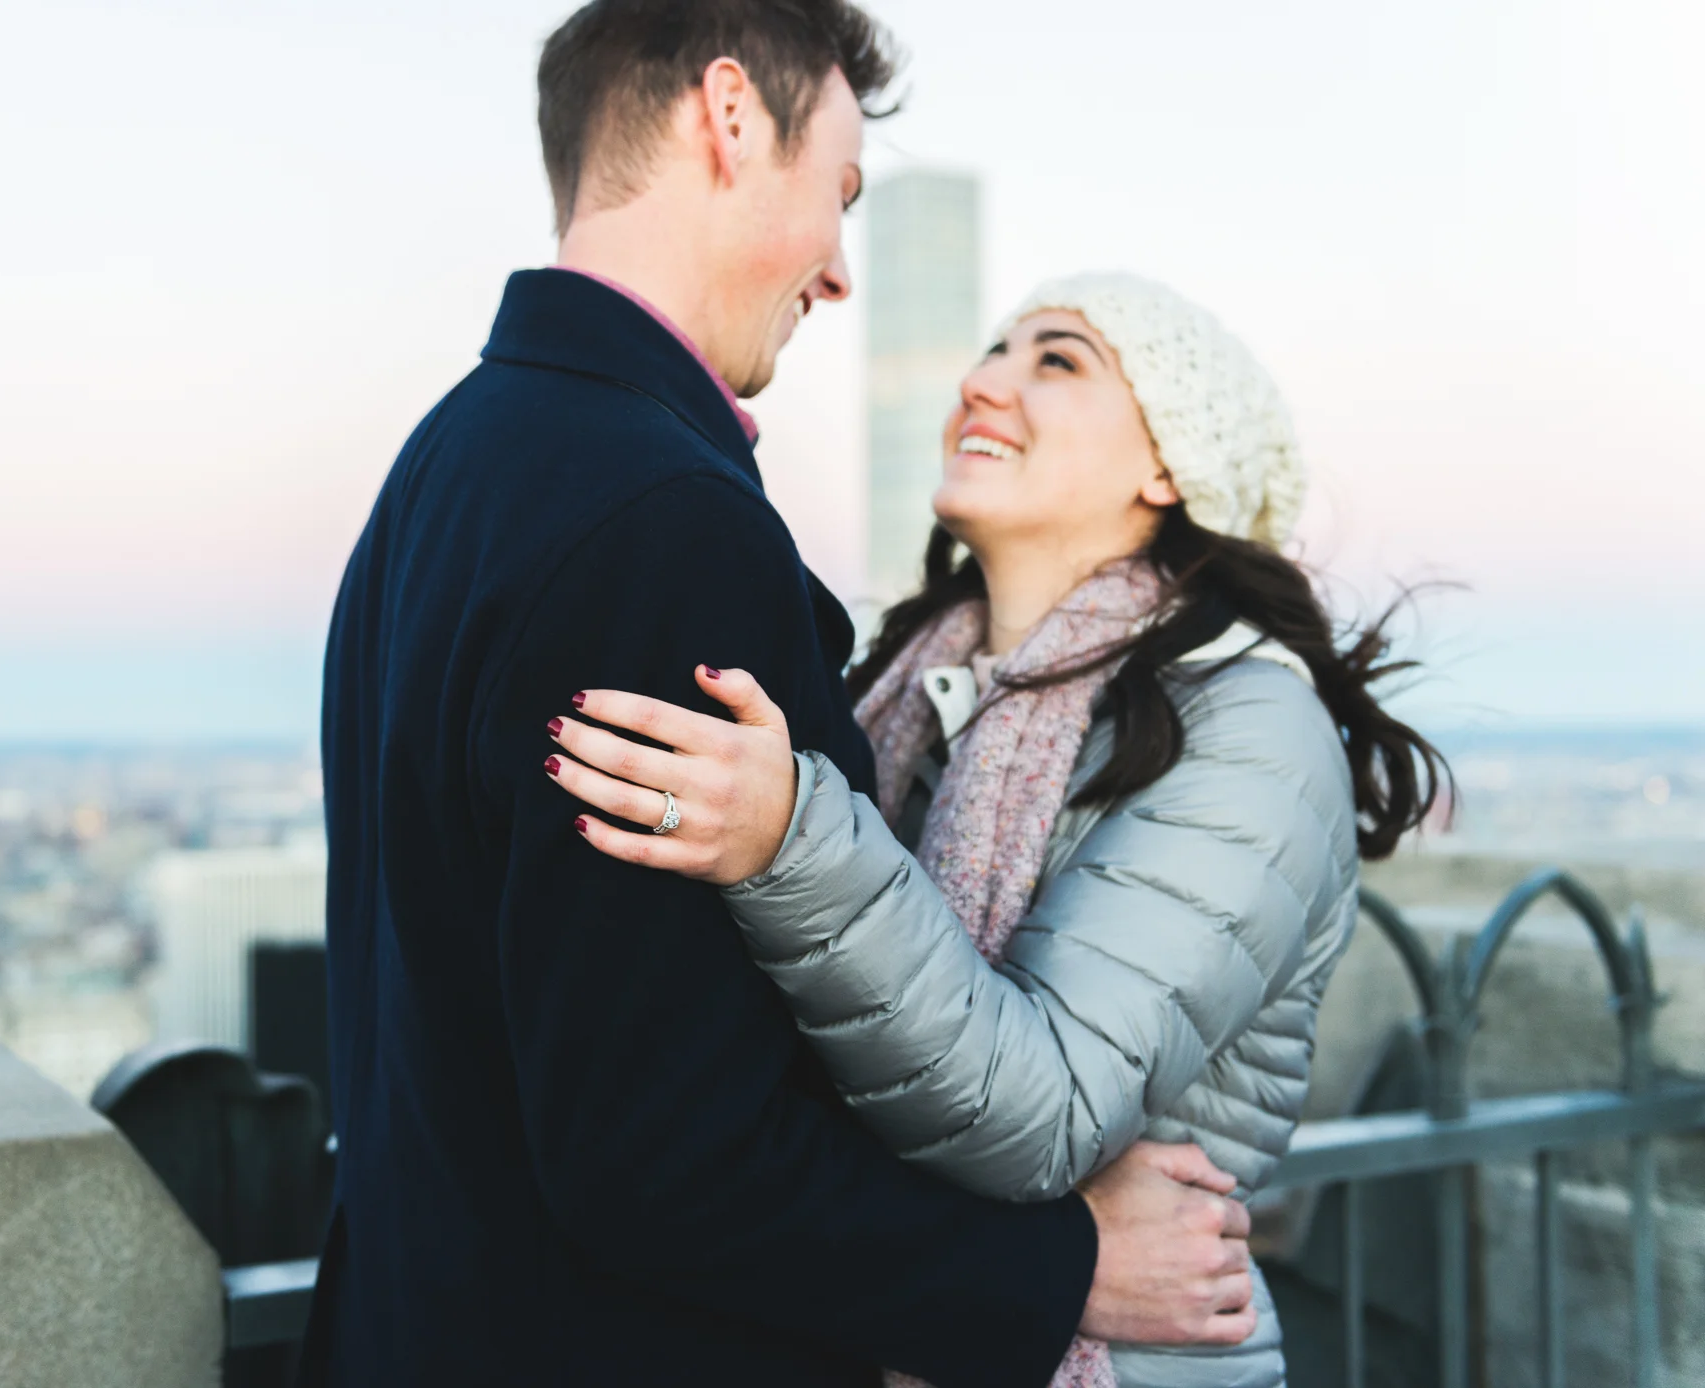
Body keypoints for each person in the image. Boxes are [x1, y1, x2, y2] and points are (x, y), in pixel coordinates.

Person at [303, 2, 1269, 1384]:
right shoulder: (661, 522)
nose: (837, 272)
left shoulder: (442, 471)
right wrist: (1065, 1267)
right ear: (731, 117)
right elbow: (662, 1155)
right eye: (842, 193)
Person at [545, 272, 1450, 1387]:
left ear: (1169, 465)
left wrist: (790, 839)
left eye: (1056, 359)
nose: (982, 383)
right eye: (993, 351)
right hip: (904, 1330)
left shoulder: (1251, 726)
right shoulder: (907, 691)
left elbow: (1040, 1112)